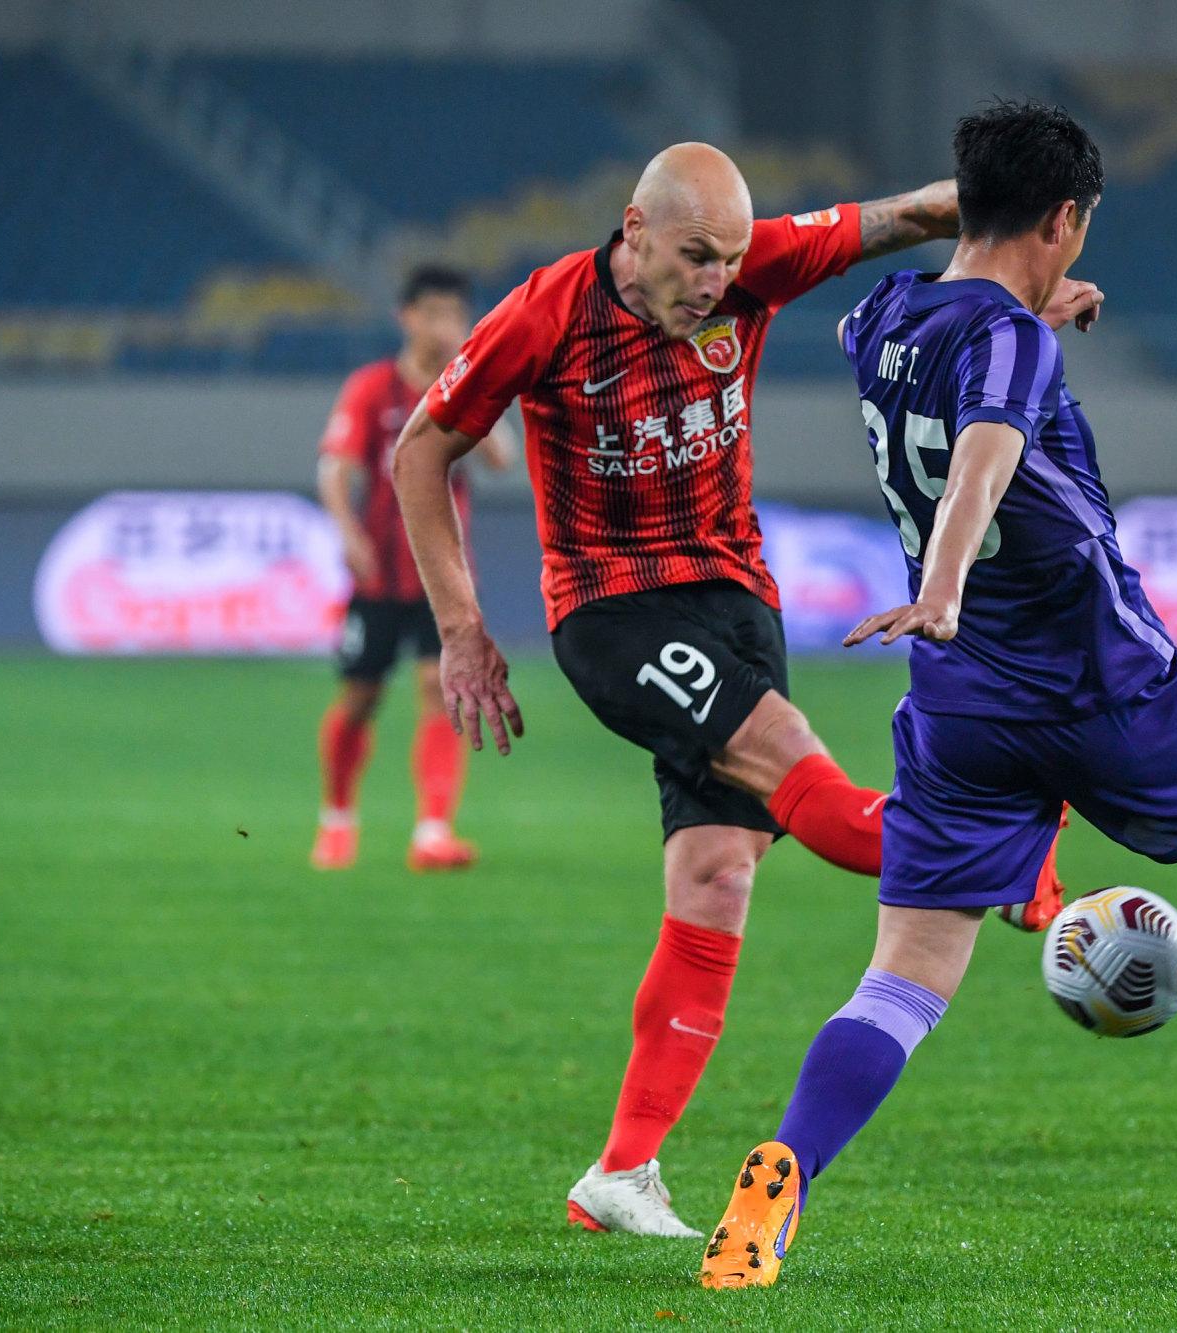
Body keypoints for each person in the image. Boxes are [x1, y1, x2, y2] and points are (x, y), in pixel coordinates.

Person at [698, 101, 1177, 1291]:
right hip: (1103, 679)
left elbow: (960, 378)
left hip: (961, 707)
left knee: (903, 977)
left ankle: (780, 1173)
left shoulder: (878, 318)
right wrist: (944, 575)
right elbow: (989, 441)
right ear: (1065, 216)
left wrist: (1033, 317)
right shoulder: (1017, 347)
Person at [388, 143, 1068, 1238]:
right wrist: (462, 629)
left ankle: (621, 1172)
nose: (714, 281)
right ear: (633, 230)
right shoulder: (546, 315)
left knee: (715, 876)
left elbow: (921, 213)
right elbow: (423, 450)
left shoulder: (753, 267)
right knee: (822, 791)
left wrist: (1028, 272)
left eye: (730, 260)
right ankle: (1018, 855)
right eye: (694, 257)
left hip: (737, 602)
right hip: (615, 614)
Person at [311, 265, 513, 872]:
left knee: (440, 689)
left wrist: (469, 382)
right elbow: (334, 468)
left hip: (444, 579)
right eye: (434, 314)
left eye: (456, 315)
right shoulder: (373, 388)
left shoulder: (466, 386)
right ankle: (338, 818)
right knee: (360, 697)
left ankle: (432, 832)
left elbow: (501, 460)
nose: (445, 325)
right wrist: (347, 532)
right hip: (379, 574)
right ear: (407, 318)